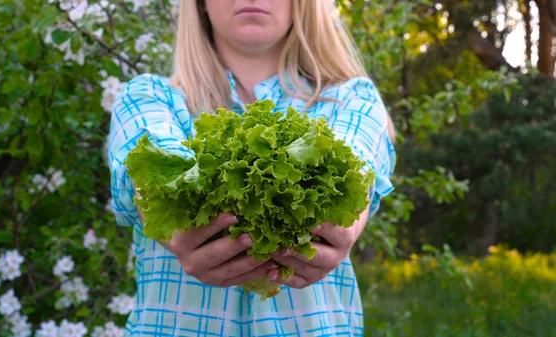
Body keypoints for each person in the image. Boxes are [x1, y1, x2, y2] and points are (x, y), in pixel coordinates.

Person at [107, 0, 396, 335]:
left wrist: (341, 220)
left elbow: (357, 171)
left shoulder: (352, 100)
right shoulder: (147, 98)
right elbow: (148, 178)